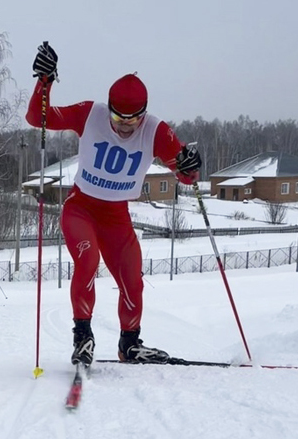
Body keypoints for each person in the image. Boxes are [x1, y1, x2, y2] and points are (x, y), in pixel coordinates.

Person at [26, 42, 202, 366]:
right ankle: (83, 338)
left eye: (131, 120)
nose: (122, 125)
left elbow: (186, 176)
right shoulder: (90, 114)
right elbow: (38, 117)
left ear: (143, 114)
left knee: (133, 278)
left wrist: (190, 165)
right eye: (117, 116)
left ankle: (130, 344)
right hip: (81, 209)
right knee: (88, 260)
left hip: (117, 216)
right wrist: (45, 80)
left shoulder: (157, 131)